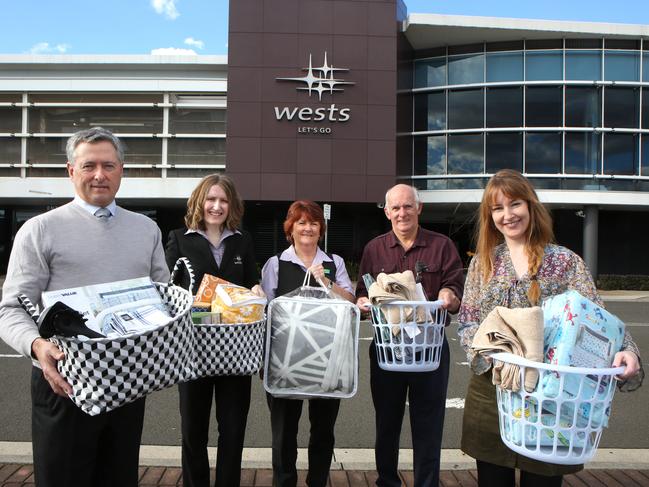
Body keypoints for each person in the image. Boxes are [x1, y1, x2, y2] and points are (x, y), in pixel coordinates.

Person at [0, 127, 169, 487]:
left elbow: (163, 299)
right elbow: (11, 309)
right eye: (88, 165)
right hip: (64, 382)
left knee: (119, 477)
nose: (99, 175)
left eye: (108, 165)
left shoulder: (146, 230)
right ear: (70, 171)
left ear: (122, 170)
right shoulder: (39, 230)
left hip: (127, 382)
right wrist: (36, 345)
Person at [457, 169, 644, 487]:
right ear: (490, 217)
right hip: (493, 391)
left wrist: (627, 350)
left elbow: (597, 318)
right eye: (498, 208)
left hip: (551, 396)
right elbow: (468, 322)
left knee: (542, 482)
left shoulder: (565, 261)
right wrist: (493, 352)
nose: (508, 215)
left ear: (530, 206)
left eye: (515, 204)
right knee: (492, 480)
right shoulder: (483, 262)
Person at [355, 184, 464, 487]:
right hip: (387, 350)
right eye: (396, 208)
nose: (402, 213)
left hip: (429, 350)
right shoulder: (374, 249)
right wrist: (362, 303)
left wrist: (448, 295)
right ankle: (387, 481)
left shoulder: (442, 246)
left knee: (428, 426)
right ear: (387, 211)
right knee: (386, 424)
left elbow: (455, 286)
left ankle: (426, 483)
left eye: (408, 206)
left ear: (419, 208)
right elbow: (362, 293)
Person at [165, 174, 259, 487]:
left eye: (223, 200)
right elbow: (167, 289)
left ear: (231, 205)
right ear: (200, 202)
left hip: (235, 351)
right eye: (211, 199)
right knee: (193, 431)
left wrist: (258, 291)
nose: (216, 206)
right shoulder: (179, 238)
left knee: (233, 430)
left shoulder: (242, 240)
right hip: (193, 350)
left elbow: (252, 280)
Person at [260, 200, 355, 487]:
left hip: (328, 361)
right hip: (283, 361)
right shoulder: (276, 263)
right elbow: (265, 308)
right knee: (284, 432)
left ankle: (317, 481)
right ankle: (284, 482)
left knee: (324, 430)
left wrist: (327, 282)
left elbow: (350, 302)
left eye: (313, 222)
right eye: (301, 222)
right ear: (291, 228)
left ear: (321, 228)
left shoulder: (334, 263)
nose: (308, 228)